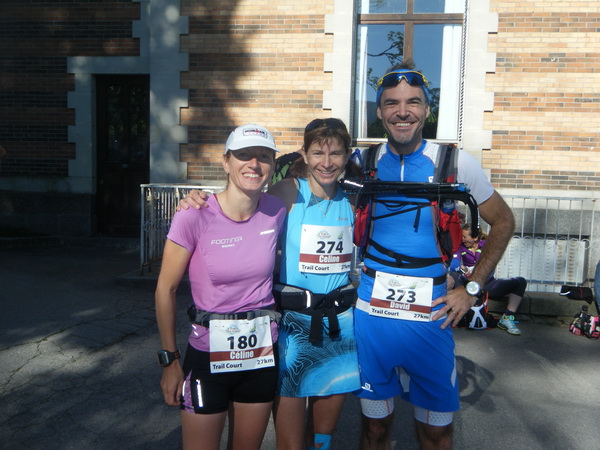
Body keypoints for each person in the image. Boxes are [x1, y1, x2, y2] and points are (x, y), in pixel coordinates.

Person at [352, 61, 515, 449]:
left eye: (413, 102)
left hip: (432, 312)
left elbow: (504, 222)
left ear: (427, 110)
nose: (402, 111)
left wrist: (473, 287)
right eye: (391, 103)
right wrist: (205, 203)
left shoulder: (456, 164)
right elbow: (299, 182)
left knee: (437, 432)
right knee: (374, 430)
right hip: (373, 314)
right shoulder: (362, 164)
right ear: (379, 112)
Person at [179, 118, 362, 450]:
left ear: (347, 156)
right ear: (303, 155)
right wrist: (197, 200)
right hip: (293, 325)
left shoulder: (354, 201)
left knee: (322, 439)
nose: (327, 161)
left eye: (336, 153)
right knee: (290, 445)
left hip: (339, 324)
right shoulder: (287, 193)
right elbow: (241, 204)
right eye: (318, 152)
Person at [155, 124, 287, 450]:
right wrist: (170, 361)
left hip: (259, 356)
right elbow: (165, 290)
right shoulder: (194, 215)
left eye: (263, 157)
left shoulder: (277, 209)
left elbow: (322, 175)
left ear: (273, 165)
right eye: (243, 155)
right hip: (206, 355)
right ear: (225, 162)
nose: (253, 164)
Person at [450, 223, 526, 335]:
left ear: (475, 237)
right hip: (467, 286)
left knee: (520, 282)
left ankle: (507, 317)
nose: (462, 239)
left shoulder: (487, 245)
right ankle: (444, 314)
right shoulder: (461, 246)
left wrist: (477, 274)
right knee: (450, 276)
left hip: (486, 284)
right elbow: (453, 266)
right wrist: (461, 269)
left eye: (464, 237)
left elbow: (490, 268)